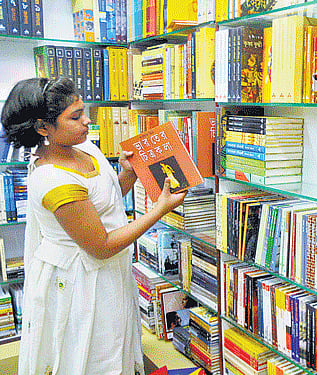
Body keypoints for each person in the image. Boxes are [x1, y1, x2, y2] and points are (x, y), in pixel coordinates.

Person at [1, 77, 187, 375]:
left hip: (107, 273)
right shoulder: (52, 179)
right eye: (75, 117)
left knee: (115, 344)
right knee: (92, 354)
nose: (87, 121)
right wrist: (160, 210)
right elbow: (100, 245)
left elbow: (103, 203)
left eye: (83, 111)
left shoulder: (82, 146)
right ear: (42, 127)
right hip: (81, 280)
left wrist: (128, 174)